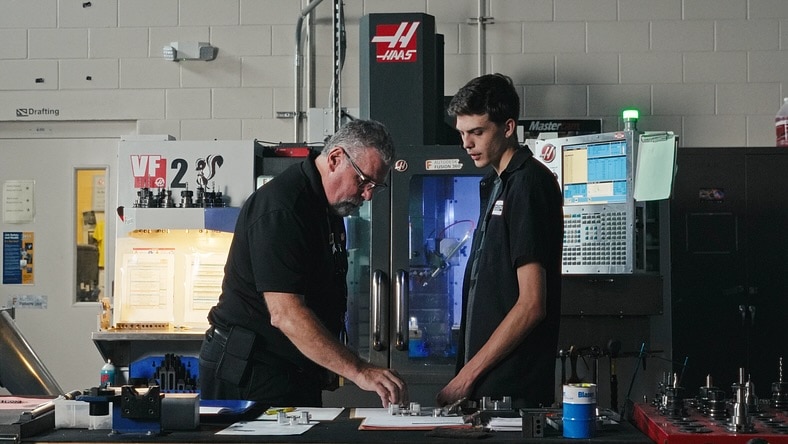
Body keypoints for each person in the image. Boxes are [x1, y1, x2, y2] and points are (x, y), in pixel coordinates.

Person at [199, 119, 408, 408]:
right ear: (336, 159)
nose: (368, 194)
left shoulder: (325, 208)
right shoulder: (283, 209)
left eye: (376, 186)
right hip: (249, 372)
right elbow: (285, 314)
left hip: (290, 367)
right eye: (363, 181)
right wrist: (357, 370)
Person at [436, 74, 563, 408]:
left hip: (513, 390)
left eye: (477, 132)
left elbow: (532, 303)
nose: (467, 143)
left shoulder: (528, 184)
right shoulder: (496, 185)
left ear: (508, 127)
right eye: (462, 133)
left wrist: (465, 378)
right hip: (487, 386)